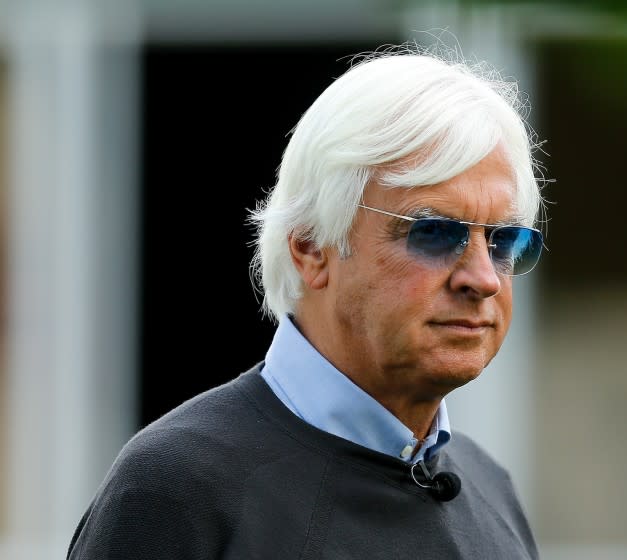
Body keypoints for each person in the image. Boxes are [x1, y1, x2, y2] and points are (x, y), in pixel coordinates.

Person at [67, 45, 546, 559]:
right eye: (432, 233)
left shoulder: (490, 489)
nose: (483, 279)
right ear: (312, 246)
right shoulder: (178, 487)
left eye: (503, 240)